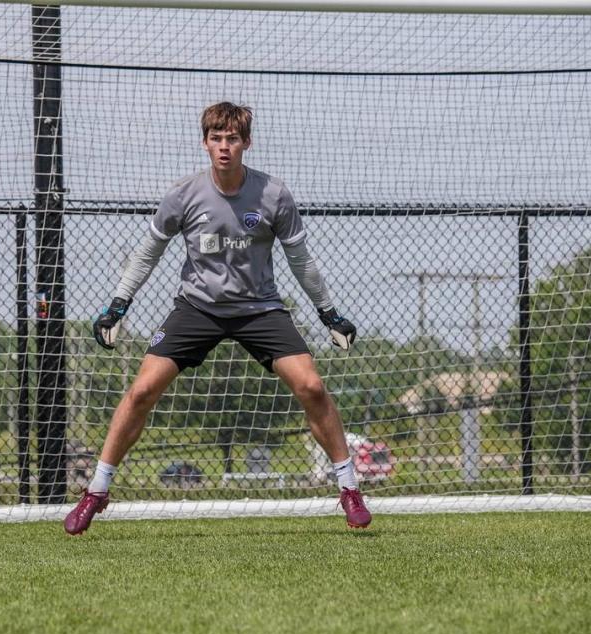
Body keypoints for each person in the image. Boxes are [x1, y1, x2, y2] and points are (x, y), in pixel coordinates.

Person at [64, 102, 371, 535]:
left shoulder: (274, 195)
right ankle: (96, 491)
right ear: (205, 141)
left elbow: (301, 261)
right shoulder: (183, 194)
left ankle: (349, 488)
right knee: (141, 390)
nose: (224, 147)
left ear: (247, 142)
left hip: (259, 310)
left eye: (232, 139)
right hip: (197, 309)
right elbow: (148, 253)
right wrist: (119, 303)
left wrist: (329, 313)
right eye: (216, 138)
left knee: (312, 386)